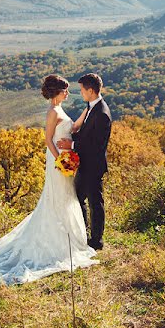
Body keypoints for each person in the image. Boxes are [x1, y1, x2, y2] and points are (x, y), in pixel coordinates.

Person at [0, 74, 98, 285]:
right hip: (58, 160)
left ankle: (70, 238)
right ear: (56, 93)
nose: (67, 93)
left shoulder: (60, 109)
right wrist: (60, 159)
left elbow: (72, 129)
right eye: (65, 90)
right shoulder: (52, 111)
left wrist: (86, 113)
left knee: (67, 196)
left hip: (66, 157)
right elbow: (48, 139)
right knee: (57, 197)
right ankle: (56, 242)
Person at [58, 72, 111, 250]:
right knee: (78, 199)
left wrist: (71, 144)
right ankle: (83, 233)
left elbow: (95, 145)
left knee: (95, 203)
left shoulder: (102, 113)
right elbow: (85, 134)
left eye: (82, 90)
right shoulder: (91, 108)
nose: (80, 93)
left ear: (90, 91)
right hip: (84, 165)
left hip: (93, 167)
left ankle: (96, 241)